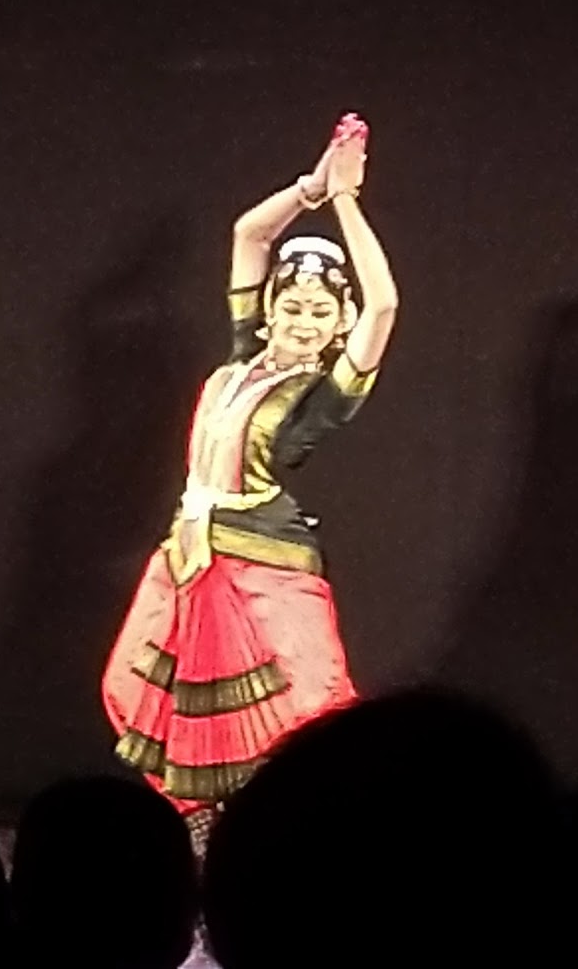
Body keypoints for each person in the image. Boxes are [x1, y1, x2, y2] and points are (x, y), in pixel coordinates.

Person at [101, 112, 397, 831]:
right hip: (191, 551)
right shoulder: (241, 359)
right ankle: (211, 823)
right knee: (147, 688)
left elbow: (384, 302)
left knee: (306, 702)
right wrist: (312, 187)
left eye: (321, 310)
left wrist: (347, 200)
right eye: (291, 305)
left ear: (339, 323)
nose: (303, 319)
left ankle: (314, 830)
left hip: (265, 560)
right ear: (268, 308)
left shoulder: (325, 391)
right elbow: (250, 235)